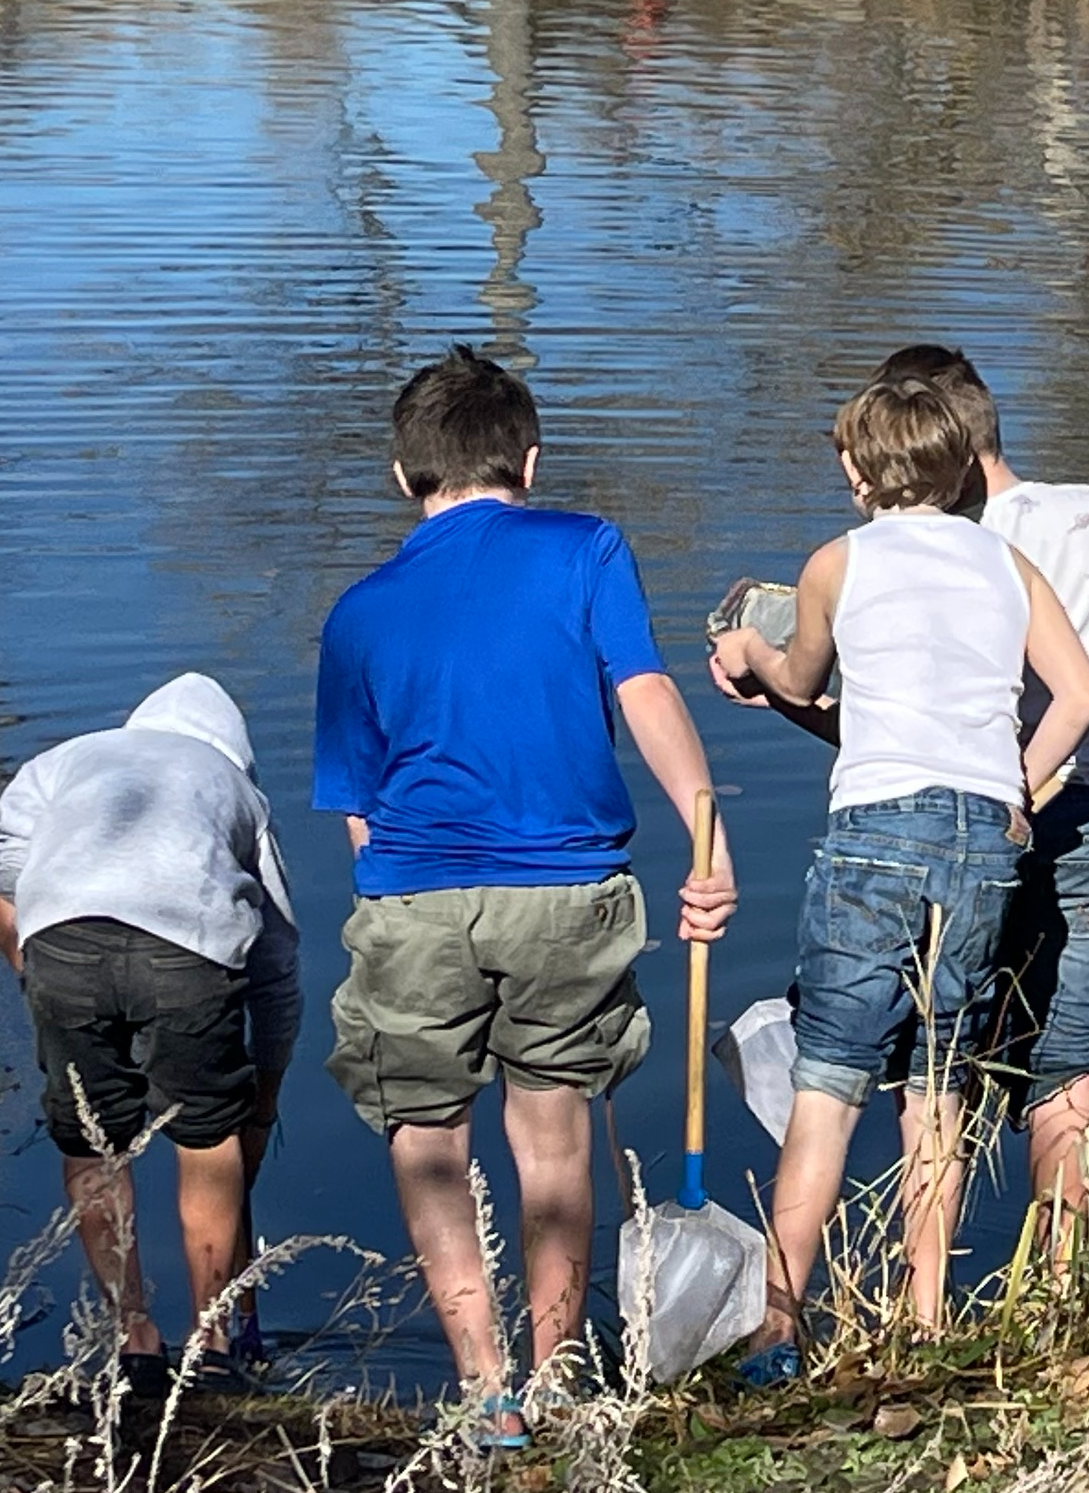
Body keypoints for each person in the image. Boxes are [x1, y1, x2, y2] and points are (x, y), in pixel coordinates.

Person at [711, 344, 1089, 1265]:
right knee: (1067, 1045)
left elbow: (900, 742)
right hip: (1088, 803)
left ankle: (819, 1300)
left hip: (951, 814)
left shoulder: (915, 546)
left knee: (914, 1044)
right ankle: (1053, 1286)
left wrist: (774, 687)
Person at [313, 346, 736, 1446]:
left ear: (406, 476)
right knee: (552, 1144)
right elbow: (643, 692)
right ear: (529, 460)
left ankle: (482, 1383)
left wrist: (416, 883)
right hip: (567, 891)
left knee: (427, 1136)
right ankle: (555, 1379)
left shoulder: (359, 610)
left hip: (412, 896)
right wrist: (706, 829)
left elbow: (357, 806)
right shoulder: (587, 547)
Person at [708, 374, 1089, 1384]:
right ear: (962, 465)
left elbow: (799, 682)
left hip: (874, 829)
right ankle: (923, 1322)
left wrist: (751, 649)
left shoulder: (838, 560)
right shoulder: (1008, 562)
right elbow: (1082, 692)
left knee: (829, 1082)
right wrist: (1016, 784)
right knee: (939, 1083)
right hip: (979, 841)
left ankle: (779, 1327)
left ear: (856, 471)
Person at [0, 672, 299, 1396]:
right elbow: (277, 963)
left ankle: (135, 1337)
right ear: (235, 750)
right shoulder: (235, 787)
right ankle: (214, 1343)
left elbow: (7, 899)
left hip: (60, 938)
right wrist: (267, 1085)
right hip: (189, 943)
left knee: (92, 1139)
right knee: (205, 1138)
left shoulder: (59, 763)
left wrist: (45, 988)